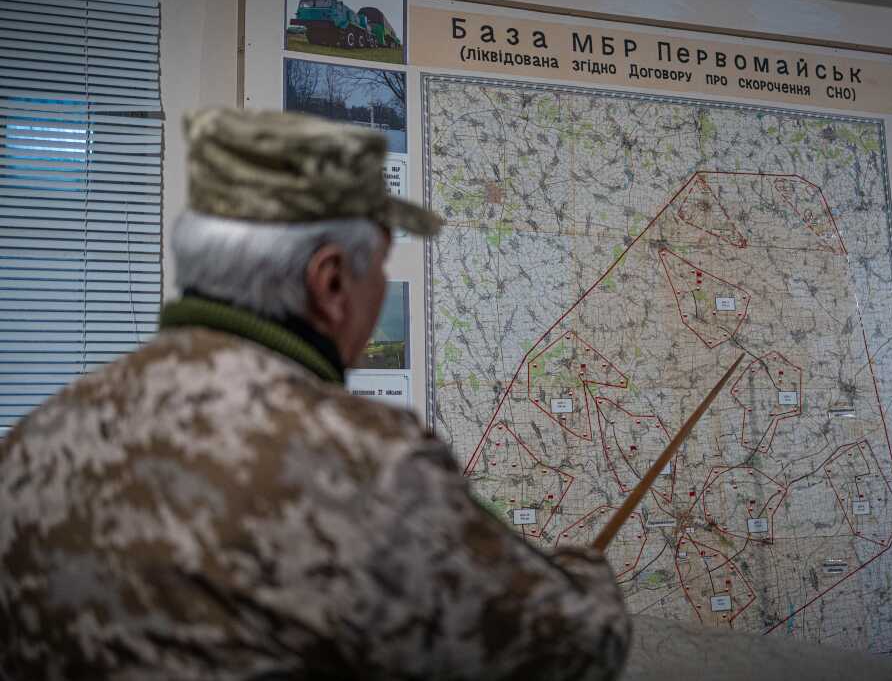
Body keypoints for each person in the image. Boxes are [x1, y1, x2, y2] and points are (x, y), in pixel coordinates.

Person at [0, 109, 630, 680]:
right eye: (378, 269)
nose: (380, 290)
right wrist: (583, 572)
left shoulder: (31, 443)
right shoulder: (366, 466)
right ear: (330, 282)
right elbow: (575, 650)